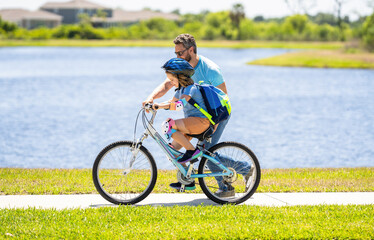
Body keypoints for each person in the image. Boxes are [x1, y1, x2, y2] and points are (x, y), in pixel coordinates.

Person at [143, 33, 234, 196]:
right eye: (175, 53)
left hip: (216, 115)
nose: (178, 56)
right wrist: (151, 101)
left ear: (191, 50)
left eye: (180, 53)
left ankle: (228, 186)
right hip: (191, 119)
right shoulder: (181, 79)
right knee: (173, 150)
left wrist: (215, 124)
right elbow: (169, 93)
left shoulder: (209, 70)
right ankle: (188, 178)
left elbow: (223, 97)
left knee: (208, 150)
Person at [153, 58, 210, 164]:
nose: (171, 83)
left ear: (181, 77)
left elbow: (179, 105)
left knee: (168, 125)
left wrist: (159, 107)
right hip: (191, 123)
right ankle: (187, 179)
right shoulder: (181, 90)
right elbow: (171, 102)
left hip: (201, 122)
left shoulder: (191, 88)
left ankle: (192, 151)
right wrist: (154, 105)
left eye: (172, 79)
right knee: (171, 151)